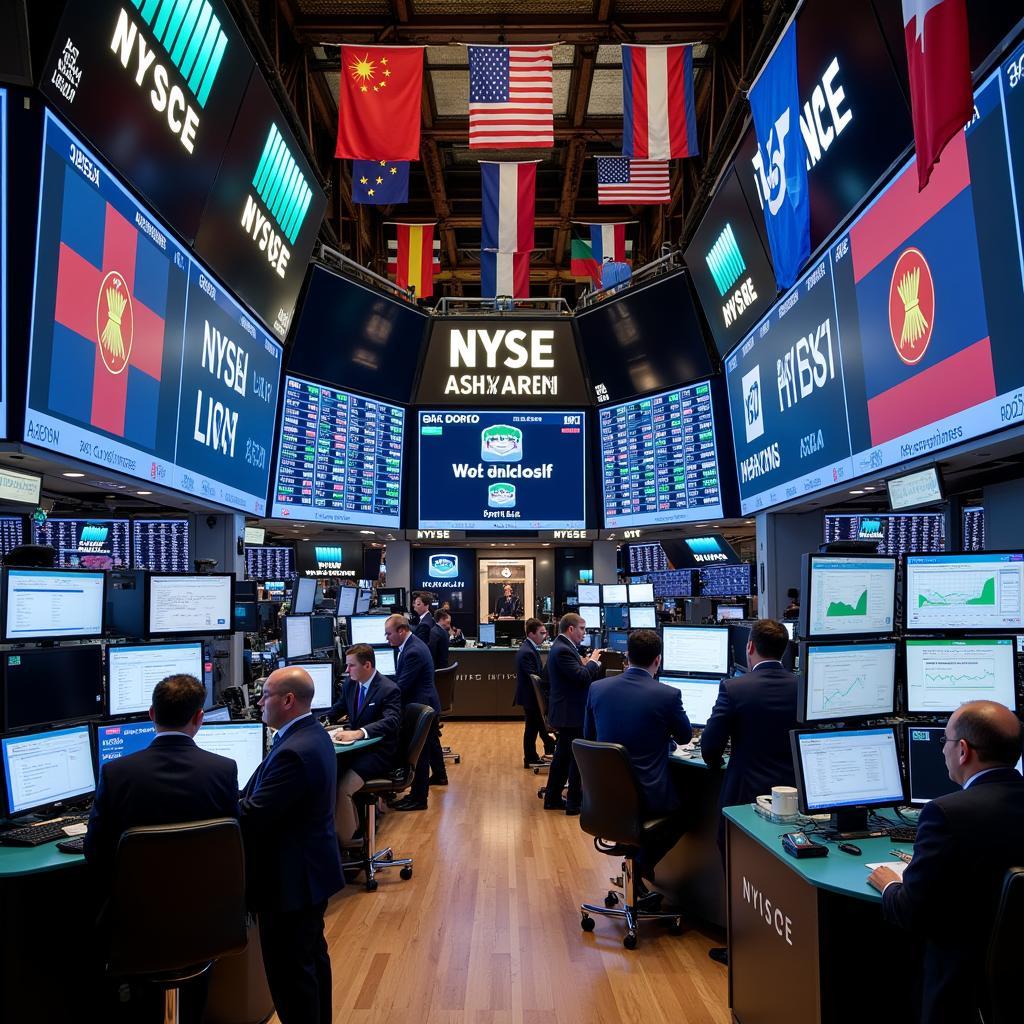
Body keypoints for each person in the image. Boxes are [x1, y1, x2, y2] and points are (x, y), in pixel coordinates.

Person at [84, 674, 238, 1022]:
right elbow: (232, 844)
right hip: (209, 923)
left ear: (151, 714)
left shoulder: (116, 773)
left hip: (135, 928)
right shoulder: (223, 770)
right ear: (199, 718)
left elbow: (95, 855)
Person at [867, 702, 1024, 1024]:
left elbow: (913, 911)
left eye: (945, 742)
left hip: (960, 987)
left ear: (963, 750)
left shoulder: (946, 813)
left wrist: (891, 884)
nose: (943, 751)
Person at [239, 667, 344, 1024]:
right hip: (310, 872)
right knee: (312, 962)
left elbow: (254, 815)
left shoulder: (293, 752)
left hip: (289, 883)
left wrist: (209, 798)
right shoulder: (311, 735)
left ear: (287, 700)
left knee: (291, 978)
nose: (259, 701)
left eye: (265, 695)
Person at [700, 617, 797, 965]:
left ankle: (741, 947)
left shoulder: (734, 688)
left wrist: (717, 762)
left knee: (739, 866)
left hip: (744, 794)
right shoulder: (802, 686)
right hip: (796, 797)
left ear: (750, 647)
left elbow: (711, 747)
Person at [584, 629, 692, 892]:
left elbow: (589, 737)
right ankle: (641, 865)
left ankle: (634, 872)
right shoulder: (667, 695)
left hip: (603, 800)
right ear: (658, 660)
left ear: (627, 657)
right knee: (687, 814)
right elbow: (685, 736)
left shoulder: (597, 688)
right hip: (648, 798)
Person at [328, 645, 402, 843]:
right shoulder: (350, 685)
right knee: (329, 778)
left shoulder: (388, 689)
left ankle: (348, 843)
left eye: (351, 666)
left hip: (379, 753)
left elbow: (391, 721)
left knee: (343, 788)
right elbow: (336, 710)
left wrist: (360, 732)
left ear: (367, 665)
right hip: (355, 750)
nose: (346, 670)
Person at [544, 612, 604, 814]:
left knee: (562, 758)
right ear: (571, 629)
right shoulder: (563, 650)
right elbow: (581, 678)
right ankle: (574, 804)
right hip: (571, 713)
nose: (584, 633)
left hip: (567, 710)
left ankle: (552, 798)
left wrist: (584, 664)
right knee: (577, 759)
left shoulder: (563, 647)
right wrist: (594, 662)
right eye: (582, 629)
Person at [383, 614, 442, 810]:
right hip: (422, 704)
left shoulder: (412, 651)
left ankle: (418, 798)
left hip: (420, 707)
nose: (386, 638)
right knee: (422, 751)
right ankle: (416, 795)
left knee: (420, 754)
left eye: (389, 633)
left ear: (401, 630)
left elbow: (402, 686)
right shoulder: (411, 645)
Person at [514, 617, 556, 768]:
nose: (545, 636)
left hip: (531, 695)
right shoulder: (527, 652)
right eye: (542, 633)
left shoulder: (528, 648)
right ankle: (536, 755)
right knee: (534, 727)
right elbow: (535, 677)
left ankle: (535, 756)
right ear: (531, 634)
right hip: (531, 696)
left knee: (533, 727)